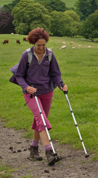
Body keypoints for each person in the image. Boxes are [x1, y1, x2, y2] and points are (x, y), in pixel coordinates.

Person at [14, 28, 67, 166]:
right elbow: (19, 75)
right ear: (33, 44)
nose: (41, 48)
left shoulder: (50, 55)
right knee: (41, 119)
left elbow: (56, 74)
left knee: (40, 119)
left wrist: (61, 84)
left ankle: (33, 149)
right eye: (39, 45)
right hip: (31, 93)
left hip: (47, 91)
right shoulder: (26, 55)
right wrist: (26, 87)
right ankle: (49, 152)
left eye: (43, 45)